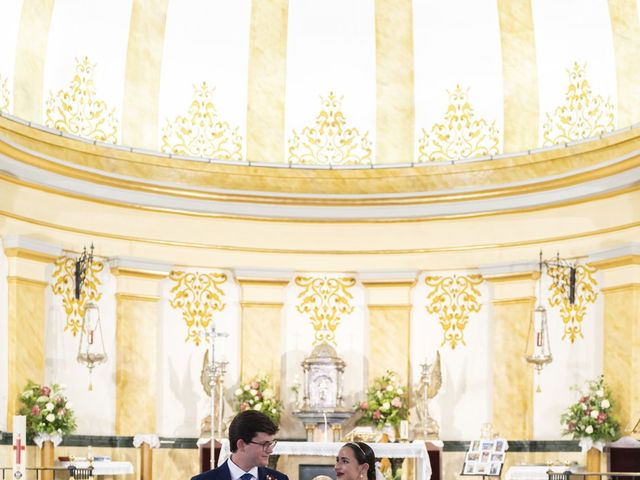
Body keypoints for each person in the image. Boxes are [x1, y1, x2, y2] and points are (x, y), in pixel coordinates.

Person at [192, 410, 289, 480]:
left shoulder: (280, 479)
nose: (270, 450)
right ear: (241, 445)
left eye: (271, 444)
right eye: (264, 444)